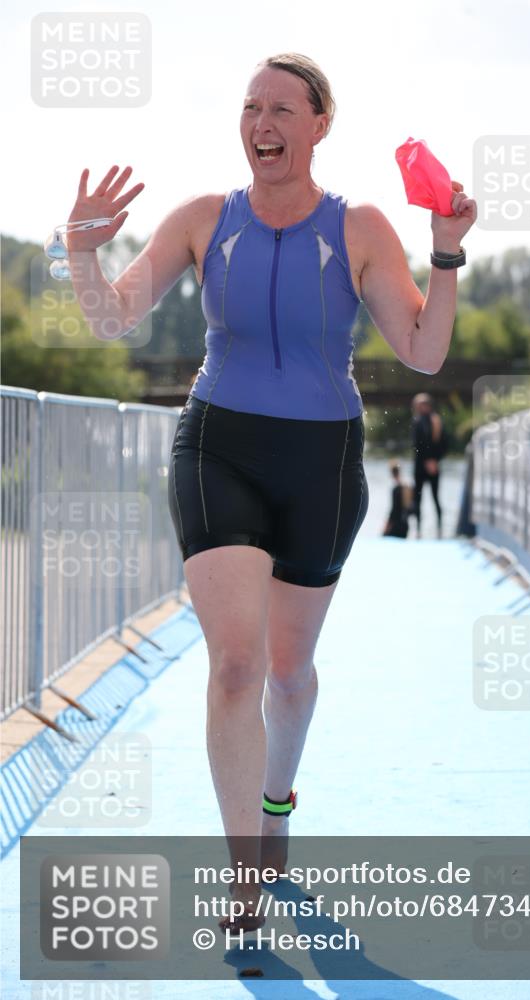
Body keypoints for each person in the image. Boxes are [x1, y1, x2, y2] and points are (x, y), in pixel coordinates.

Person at [62, 52, 477, 933]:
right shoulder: (204, 218)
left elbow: (424, 352)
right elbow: (113, 317)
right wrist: (80, 252)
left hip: (322, 462)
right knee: (236, 666)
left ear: (320, 124)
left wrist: (445, 252)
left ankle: (277, 800)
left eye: (283, 108)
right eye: (252, 107)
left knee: (288, 676)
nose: (264, 123)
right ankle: (243, 879)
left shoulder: (359, 226)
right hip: (219, 445)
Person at [410, 393, 447, 538]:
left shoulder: (436, 421)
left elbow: (444, 444)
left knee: (436, 498)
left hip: (433, 467)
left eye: (421, 404)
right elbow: (416, 445)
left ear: (428, 405)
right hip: (420, 467)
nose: (419, 407)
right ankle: (418, 530)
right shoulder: (417, 421)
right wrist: (427, 461)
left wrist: (435, 460)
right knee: (417, 499)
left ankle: (440, 530)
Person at [382, 461, 412, 538]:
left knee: (383, 536)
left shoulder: (396, 489)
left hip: (396, 526)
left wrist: (387, 526)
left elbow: (394, 510)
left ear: (392, 474)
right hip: (405, 525)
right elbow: (410, 509)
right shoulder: (407, 487)